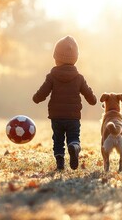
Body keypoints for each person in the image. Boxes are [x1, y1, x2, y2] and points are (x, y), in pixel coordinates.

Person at [32, 36, 97, 170]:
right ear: (75, 59)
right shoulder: (79, 78)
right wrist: (93, 99)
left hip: (56, 116)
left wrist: (36, 98)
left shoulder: (51, 77)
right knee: (74, 137)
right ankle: (74, 147)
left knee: (58, 140)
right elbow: (91, 98)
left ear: (56, 59)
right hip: (73, 116)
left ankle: (60, 163)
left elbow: (42, 93)